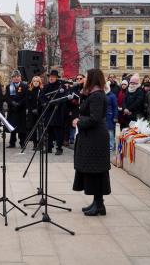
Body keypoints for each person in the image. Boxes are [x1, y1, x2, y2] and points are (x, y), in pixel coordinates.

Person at [73, 68, 111, 216]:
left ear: (93, 78)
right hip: (93, 137)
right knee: (95, 170)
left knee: (96, 170)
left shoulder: (97, 96)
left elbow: (95, 118)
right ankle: (98, 203)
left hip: (96, 138)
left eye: (87, 76)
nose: (85, 79)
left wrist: (79, 121)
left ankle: (99, 204)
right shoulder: (93, 94)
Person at [40, 70, 67, 155]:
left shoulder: (61, 87)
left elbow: (63, 98)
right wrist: (44, 103)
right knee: (48, 130)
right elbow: (42, 96)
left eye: (53, 77)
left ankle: (59, 148)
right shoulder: (46, 86)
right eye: (50, 77)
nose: (51, 78)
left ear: (57, 78)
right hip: (48, 111)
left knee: (57, 130)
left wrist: (52, 102)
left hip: (57, 111)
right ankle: (49, 147)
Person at [5, 70, 27, 149]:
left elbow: (25, 97)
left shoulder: (24, 86)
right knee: (12, 127)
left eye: (18, 77)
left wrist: (19, 104)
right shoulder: (9, 86)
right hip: (12, 110)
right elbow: (7, 97)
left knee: (22, 128)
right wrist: (12, 103)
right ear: (12, 78)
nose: (16, 78)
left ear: (20, 77)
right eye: (14, 77)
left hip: (21, 110)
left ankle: (22, 143)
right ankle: (12, 142)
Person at [26, 76, 43, 150]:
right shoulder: (29, 90)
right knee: (33, 129)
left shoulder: (42, 90)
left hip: (40, 112)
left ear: (39, 82)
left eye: (37, 81)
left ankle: (40, 144)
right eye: (34, 81)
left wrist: (38, 109)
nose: (36, 82)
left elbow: (42, 102)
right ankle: (35, 144)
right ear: (32, 82)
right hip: (32, 113)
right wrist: (31, 110)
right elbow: (28, 102)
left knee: (40, 129)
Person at [104, 81, 118, 152]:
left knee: (110, 132)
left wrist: (115, 117)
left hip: (110, 116)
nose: (104, 88)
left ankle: (111, 146)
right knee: (104, 132)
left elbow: (115, 107)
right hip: (103, 116)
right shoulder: (102, 94)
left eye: (105, 87)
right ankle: (105, 145)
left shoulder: (112, 95)